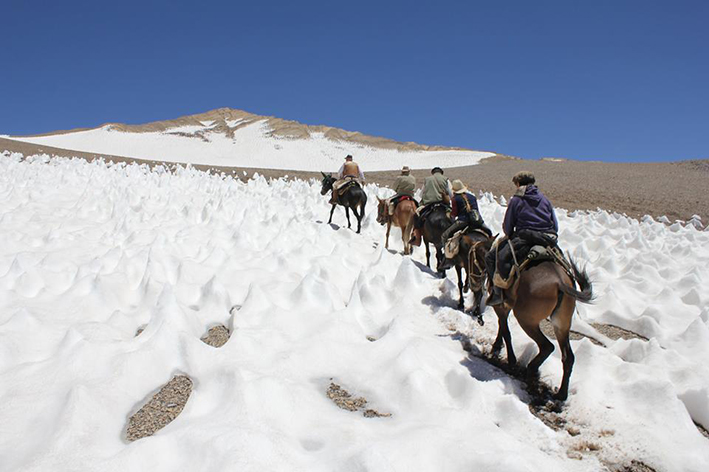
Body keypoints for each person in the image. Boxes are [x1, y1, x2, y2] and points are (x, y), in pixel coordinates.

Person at [485, 171, 559, 306]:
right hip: (547, 238)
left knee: (490, 257)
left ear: (518, 184)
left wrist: (509, 232)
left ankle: (497, 293)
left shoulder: (517, 199)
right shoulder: (545, 199)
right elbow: (555, 224)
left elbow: (508, 227)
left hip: (524, 237)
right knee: (562, 260)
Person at [438, 179, 489, 270]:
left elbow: (454, 214)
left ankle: (447, 258)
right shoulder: (472, 197)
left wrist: (449, 215)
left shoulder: (455, 199)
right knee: (489, 233)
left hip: (462, 222)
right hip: (477, 221)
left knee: (444, 236)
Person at [409, 167, 450, 245]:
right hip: (442, 204)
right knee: (452, 217)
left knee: (416, 216)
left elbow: (421, 194)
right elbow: (450, 194)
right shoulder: (446, 179)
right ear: (441, 173)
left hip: (429, 204)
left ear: (432, 173)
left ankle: (416, 238)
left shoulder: (427, 179)